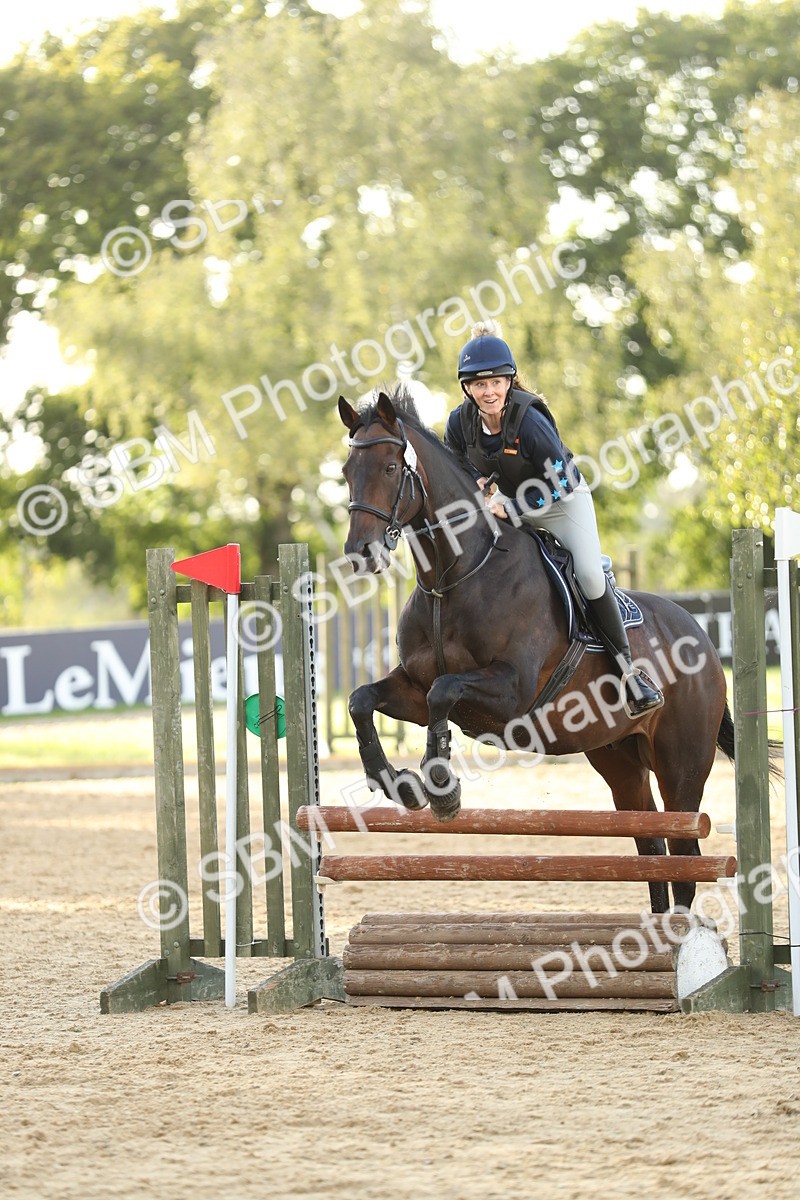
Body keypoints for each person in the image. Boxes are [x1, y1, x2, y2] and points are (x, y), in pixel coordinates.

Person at [444, 320, 663, 718]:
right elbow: (456, 466)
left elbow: (560, 480)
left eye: (496, 382)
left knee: (590, 575)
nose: (488, 392)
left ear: (509, 381)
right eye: (479, 385)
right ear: (467, 388)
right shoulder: (459, 423)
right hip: (508, 502)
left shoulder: (529, 420)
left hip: (563, 502)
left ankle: (630, 672)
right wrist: (472, 485)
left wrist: (509, 507)